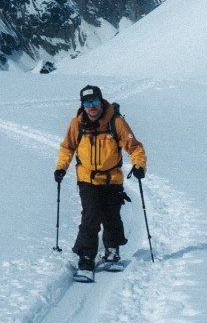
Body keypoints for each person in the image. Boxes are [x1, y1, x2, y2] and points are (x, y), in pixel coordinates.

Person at [54, 84, 147, 272]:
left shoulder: (116, 122)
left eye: (95, 101)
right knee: (91, 216)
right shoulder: (76, 124)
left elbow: (134, 147)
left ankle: (112, 250)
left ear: (101, 102)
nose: (92, 106)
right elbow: (67, 148)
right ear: (82, 105)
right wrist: (61, 167)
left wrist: (139, 165)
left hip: (112, 179)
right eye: (87, 103)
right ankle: (86, 254)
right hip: (87, 178)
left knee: (111, 216)